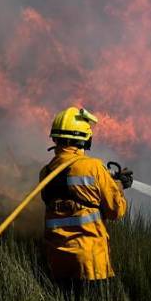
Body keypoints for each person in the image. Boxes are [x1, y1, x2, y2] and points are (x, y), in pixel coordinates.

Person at [39, 106, 131, 285]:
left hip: (57, 263)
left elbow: (70, 192)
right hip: (90, 263)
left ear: (55, 139)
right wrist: (119, 187)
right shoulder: (93, 167)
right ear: (85, 140)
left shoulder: (46, 172)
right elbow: (116, 211)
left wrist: (113, 181)